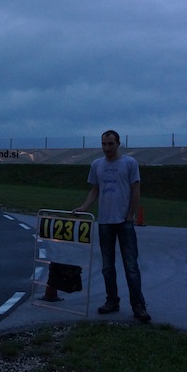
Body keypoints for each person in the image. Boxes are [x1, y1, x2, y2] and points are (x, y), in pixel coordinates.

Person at [73, 130, 150, 322]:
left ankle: (138, 305)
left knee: (131, 266)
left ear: (118, 144)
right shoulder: (97, 165)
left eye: (110, 144)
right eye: (104, 144)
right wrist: (84, 207)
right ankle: (112, 300)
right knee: (107, 266)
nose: (107, 148)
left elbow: (136, 190)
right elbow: (95, 189)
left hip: (124, 222)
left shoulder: (129, 163)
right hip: (104, 222)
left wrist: (130, 215)